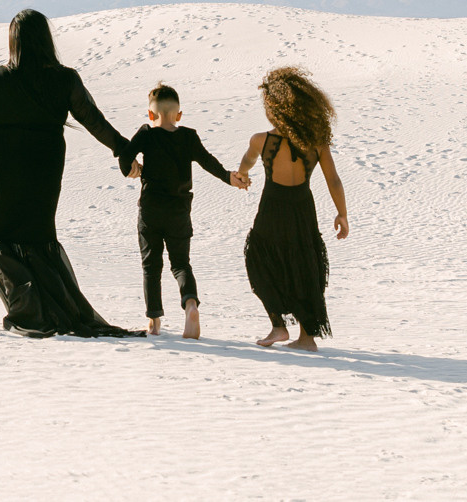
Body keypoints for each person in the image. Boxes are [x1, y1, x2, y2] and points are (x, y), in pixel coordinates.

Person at [0, 9, 142, 338]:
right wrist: (124, 151)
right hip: (46, 170)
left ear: (13, 41)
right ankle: (54, 311)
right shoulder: (65, 79)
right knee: (39, 240)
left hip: (5, 171)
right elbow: (93, 119)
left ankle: (30, 311)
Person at [119, 82, 249, 337]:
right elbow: (207, 161)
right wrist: (228, 177)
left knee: (151, 266)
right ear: (178, 115)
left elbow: (124, 156)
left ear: (150, 114)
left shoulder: (146, 133)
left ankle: (154, 321)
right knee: (180, 264)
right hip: (179, 211)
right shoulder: (188, 137)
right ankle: (190, 304)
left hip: (150, 210)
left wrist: (132, 169)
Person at [232, 66, 349, 351]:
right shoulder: (316, 142)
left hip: (272, 208)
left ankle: (278, 326)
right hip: (302, 209)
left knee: (260, 259)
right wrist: (342, 213)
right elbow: (333, 179)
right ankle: (307, 338)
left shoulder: (261, 140)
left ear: (275, 109)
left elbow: (247, 161)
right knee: (305, 266)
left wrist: (242, 174)